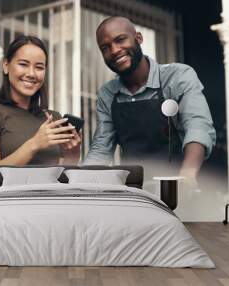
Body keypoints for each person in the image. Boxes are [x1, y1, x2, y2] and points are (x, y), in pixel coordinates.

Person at [84, 16, 216, 180]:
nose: (114, 50)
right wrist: (81, 181)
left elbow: (198, 126)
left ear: (138, 38)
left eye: (120, 40)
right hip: (135, 192)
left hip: (181, 185)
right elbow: (101, 147)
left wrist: (188, 175)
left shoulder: (177, 76)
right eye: (105, 48)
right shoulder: (108, 93)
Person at [0, 35, 81, 185]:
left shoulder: (53, 118)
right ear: (6, 66)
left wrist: (72, 155)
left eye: (39, 67)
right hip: (8, 206)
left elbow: (62, 181)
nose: (31, 74)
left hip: (51, 204)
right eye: (23, 64)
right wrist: (34, 144)